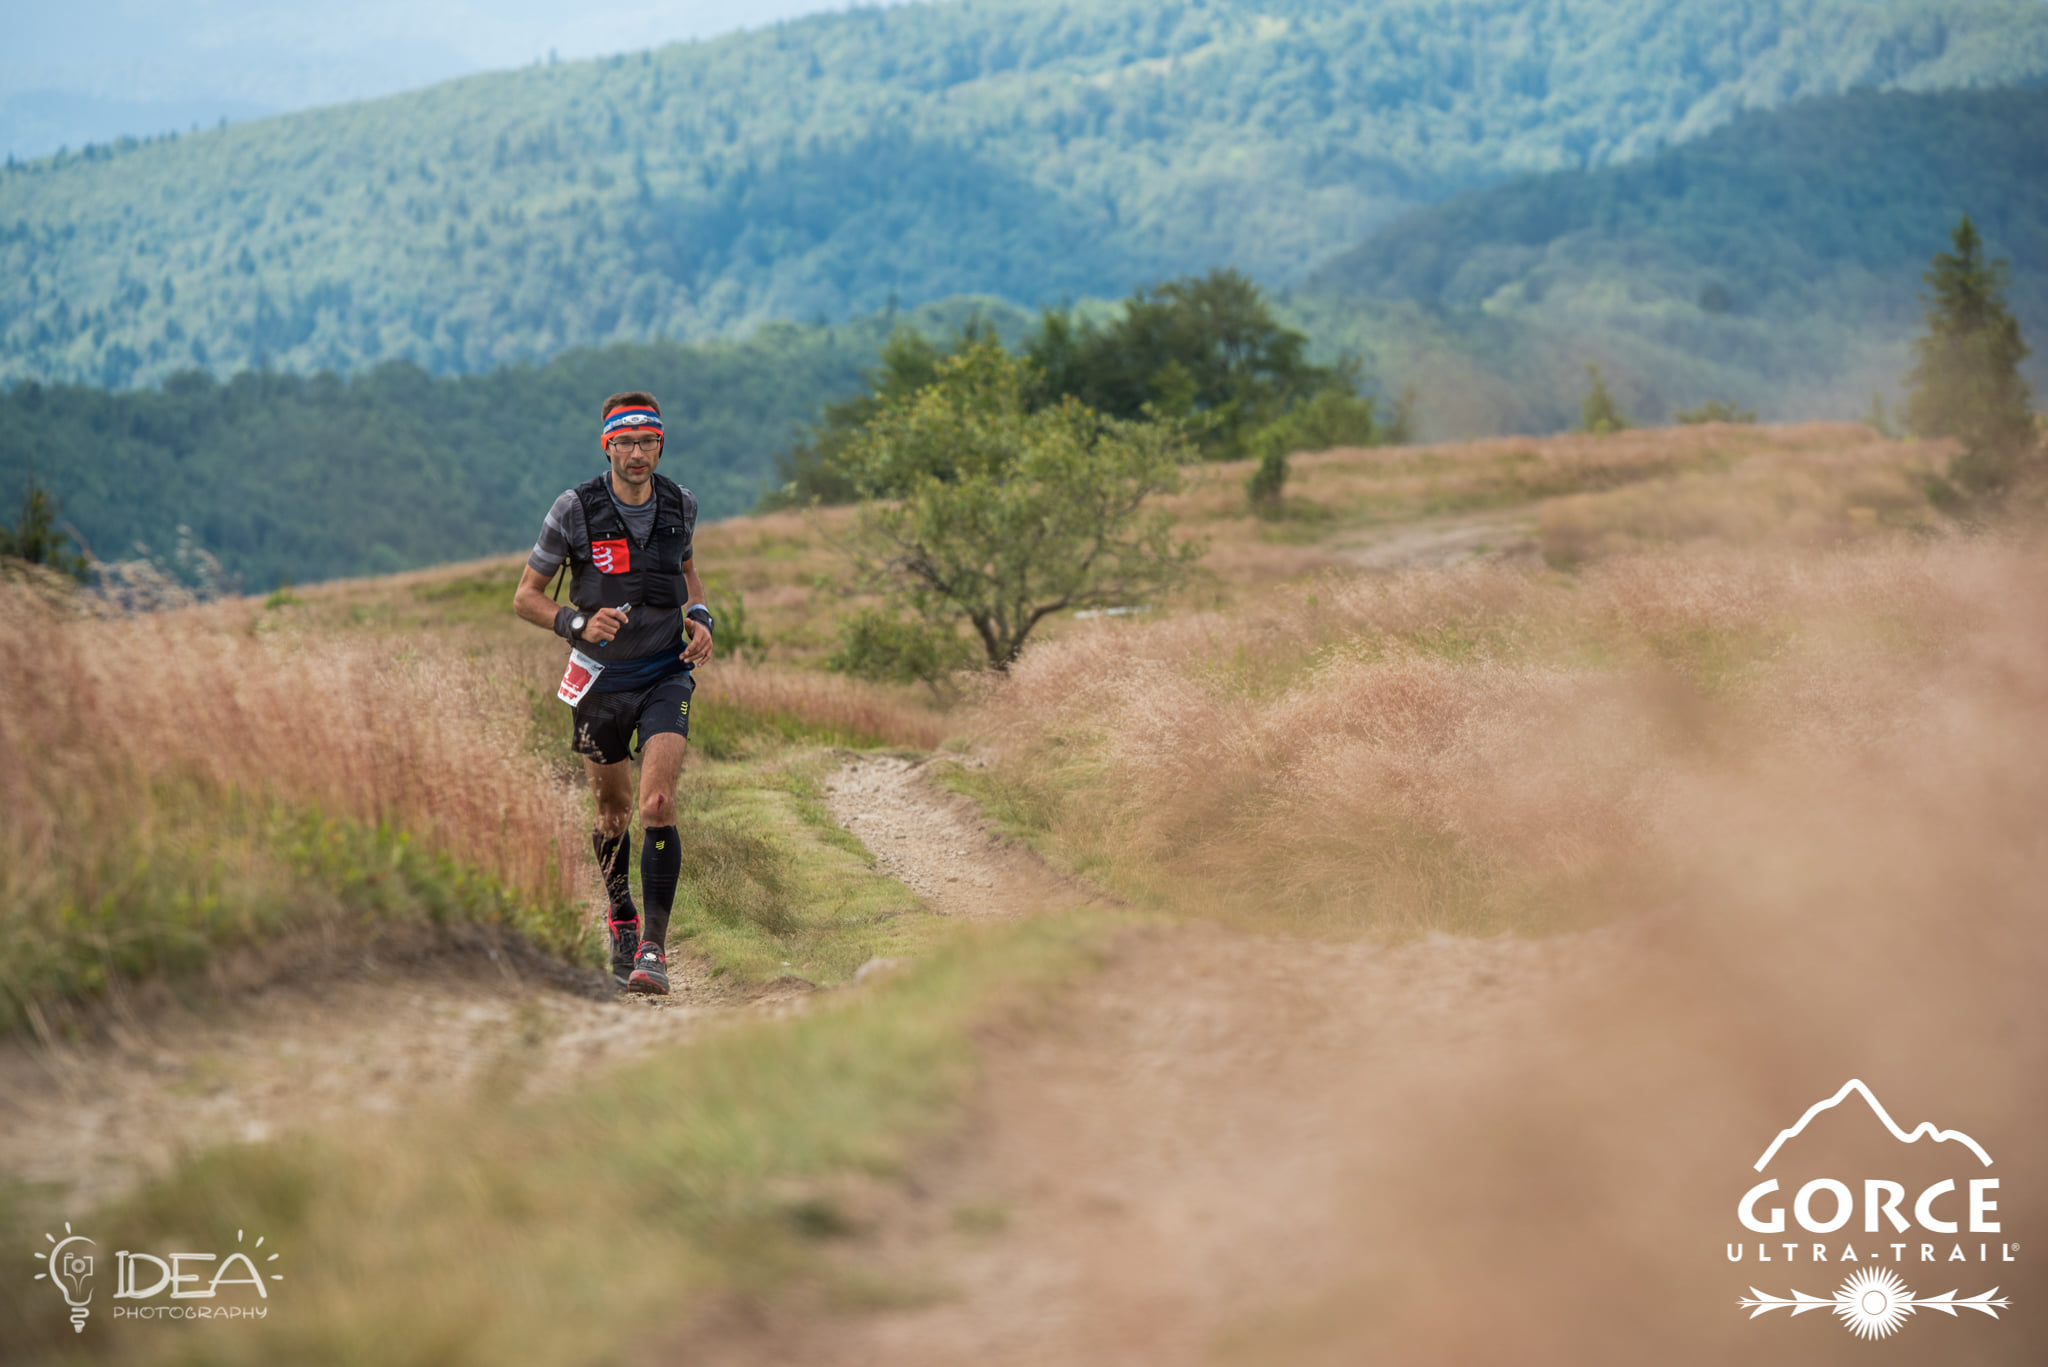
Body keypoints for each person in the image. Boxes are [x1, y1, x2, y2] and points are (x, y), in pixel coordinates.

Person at [512, 391, 715, 995]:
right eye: (623, 442)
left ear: (660, 444)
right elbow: (525, 596)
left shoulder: (682, 503)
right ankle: (620, 917)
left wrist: (701, 616)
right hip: (597, 680)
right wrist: (575, 622)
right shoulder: (573, 509)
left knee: (656, 806)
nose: (636, 453)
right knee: (611, 814)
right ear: (607, 445)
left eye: (646, 441)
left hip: (663, 671)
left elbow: (687, 571)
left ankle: (653, 949)